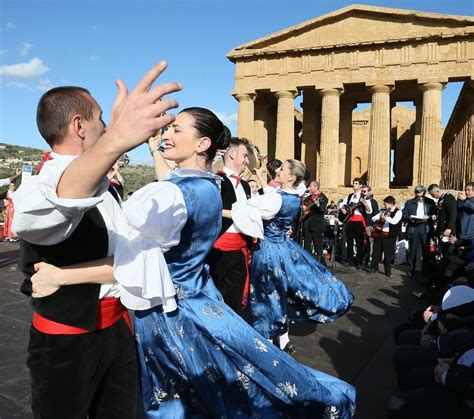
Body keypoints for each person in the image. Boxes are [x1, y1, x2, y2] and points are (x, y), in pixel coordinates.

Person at [30, 108, 356, 418]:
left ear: (202, 143)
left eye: (176, 129)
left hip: (170, 311)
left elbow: (141, 258)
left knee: (178, 394)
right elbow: (172, 187)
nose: (167, 134)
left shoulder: (169, 195)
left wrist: (62, 276)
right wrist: (152, 145)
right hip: (199, 294)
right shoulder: (207, 185)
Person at [12, 61, 181, 418]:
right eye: (102, 118)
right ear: (79, 126)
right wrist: (118, 137)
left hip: (117, 331)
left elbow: (130, 257)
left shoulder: (106, 189)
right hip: (66, 341)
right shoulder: (42, 186)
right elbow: (58, 201)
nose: (107, 125)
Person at [232, 159, 354, 354]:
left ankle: (267, 344)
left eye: (282, 169)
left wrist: (220, 210)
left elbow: (247, 209)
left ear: (291, 176)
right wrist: (262, 176)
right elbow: (272, 196)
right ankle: (279, 338)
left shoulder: (276, 199)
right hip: (283, 247)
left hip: (268, 251)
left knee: (266, 294)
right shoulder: (293, 196)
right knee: (280, 292)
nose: (278, 170)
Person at [207, 137, 253, 320]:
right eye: (244, 155)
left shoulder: (245, 185)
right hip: (218, 249)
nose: (247, 161)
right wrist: (238, 215)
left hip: (242, 248)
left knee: (234, 302)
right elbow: (210, 211)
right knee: (214, 297)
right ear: (232, 154)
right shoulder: (215, 181)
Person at [402, 185, 436, 281]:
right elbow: (404, 214)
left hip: (425, 227)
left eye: (421, 194)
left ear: (424, 193)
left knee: (425, 250)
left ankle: (424, 270)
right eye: (417, 194)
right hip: (414, 227)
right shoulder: (410, 202)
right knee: (413, 250)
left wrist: (429, 216)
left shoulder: (430, 202)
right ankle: (412, 269)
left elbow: (435, 214)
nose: (419, 196)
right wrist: (410, 218)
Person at [339, 177, 372, 270]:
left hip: (359, 222)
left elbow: (369, 211)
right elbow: (342, 204)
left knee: (359, 243)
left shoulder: (364, 197)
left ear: (361, 185)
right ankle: (350, 261)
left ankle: (359, 262)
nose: (354, 185)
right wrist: (343, 209)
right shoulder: (350, 196)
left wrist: (365, 204)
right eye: (354, 183)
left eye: (356, 183)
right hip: (349, 221)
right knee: (349, 242)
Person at [369, 196, 402, 277]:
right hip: (379, 234)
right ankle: (374, 268)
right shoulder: (383, 211)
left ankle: (388, 272)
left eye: (385, 204)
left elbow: (394, 222)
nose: (384, 206)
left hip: (390, 236)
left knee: (388, 255)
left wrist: (386, 218)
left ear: (391, 204)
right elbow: (374, 217)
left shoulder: (398, 212)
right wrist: (375, 219)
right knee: (376, 253)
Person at [302, 180, 328, 262]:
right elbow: (304, 206)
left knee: (318, 243)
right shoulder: (308, 197)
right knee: (307, 242)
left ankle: (319, 260)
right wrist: (304, 209)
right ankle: (307, 260)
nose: (309, 188)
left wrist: (317, 205)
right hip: (307, 222)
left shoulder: (323, 197)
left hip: (317, 223)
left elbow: (322, 210)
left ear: (316, 187)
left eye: (310, 186)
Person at [428, 183, 457, 255]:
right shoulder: (441, 199)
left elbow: (452, 213)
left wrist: (449, 227)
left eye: (433, 194)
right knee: (442, 249)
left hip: (447, 229)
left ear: (437, 191)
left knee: (448, 250)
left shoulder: (448, 198)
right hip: (441, 228)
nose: (433, 196)